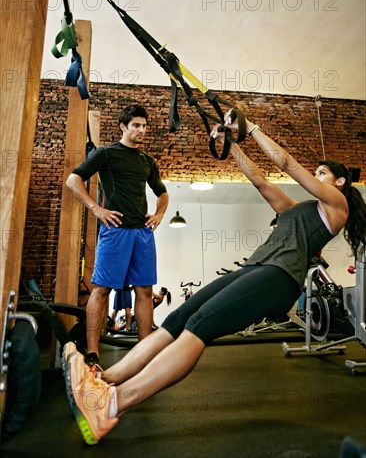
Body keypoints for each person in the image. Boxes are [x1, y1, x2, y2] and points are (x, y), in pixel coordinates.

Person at [64, 109, 366, 445]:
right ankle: (105, 380)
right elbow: (260, 180)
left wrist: (250, 128)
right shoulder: (298, 209)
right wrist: (230, 144)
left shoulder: (337, 206)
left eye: (322, 173)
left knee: (202, 325)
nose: (316, 175)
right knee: (179, 317)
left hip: (280, 277)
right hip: (257, 268)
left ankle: (114, 405)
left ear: (339, 182)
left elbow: (288, 166)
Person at [66, 105, 169, 369]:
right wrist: (96, 209)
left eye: (144, 126)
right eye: (136, 125)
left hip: (142, 234)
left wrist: (158, 215)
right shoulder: (106, 153)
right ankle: (92, 353)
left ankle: (144, 354)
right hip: (116, 232)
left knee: (145, 291)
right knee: (102, 290)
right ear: (123, 126)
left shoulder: (147, 161)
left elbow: (163, 193)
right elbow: (73, 180)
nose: (142, 130)